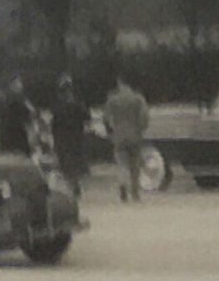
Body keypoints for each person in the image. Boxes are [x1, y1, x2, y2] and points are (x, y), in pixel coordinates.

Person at [102, 75, 150, 203]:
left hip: (119, 135)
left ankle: (123, 184)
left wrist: (110, 131)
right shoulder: (138, 99)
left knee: (122, 164)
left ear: (120, 82)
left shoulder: (112, 99)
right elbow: (144, 117)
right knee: (135, 165)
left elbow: (106, 118)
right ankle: (135, 192)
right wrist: (141, 129)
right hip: (135, 134)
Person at [49, 77, 92, 196]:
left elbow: (53, 125)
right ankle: (74, 184)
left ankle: (71, 186)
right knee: (75, 162)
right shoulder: (78, 105)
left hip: (62, 139)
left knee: (65, 165)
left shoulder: (57, 107)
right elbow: (87, 119)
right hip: (76, 137)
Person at [0, 76, 36, 158]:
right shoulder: (20, 101)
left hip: (8, 135)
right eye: (17, 86)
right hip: (16, 134)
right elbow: (29, 118)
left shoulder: (3, 100)